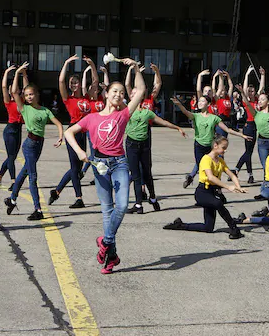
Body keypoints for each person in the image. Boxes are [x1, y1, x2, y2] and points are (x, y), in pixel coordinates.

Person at [64, 57, 144, 274]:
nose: (119, 94)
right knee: (107, 210)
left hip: (119, 163)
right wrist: (81, 152)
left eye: (121, 92)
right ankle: (111, 258)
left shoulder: (123, 114)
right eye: (114, 91)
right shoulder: (91, 118)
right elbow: (68, 132)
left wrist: (135, 68)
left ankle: (105, 241)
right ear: (106, 94)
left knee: (121, 206)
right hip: (98, 163)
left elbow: (141, 90)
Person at [4, 63, 64, 220]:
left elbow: (58, 123)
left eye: (32, 94)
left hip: (39, 144)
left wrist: (60, 136)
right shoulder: (24, 108)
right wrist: (17, 73)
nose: (29, 97)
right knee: (33, 176)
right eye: (27, 95)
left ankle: (12, 199)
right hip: (29, 144)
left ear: (37, 95)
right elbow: (14, 91)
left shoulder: (45, 111)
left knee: (24, 172)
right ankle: (38, 209)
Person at [164, 136, 247, 238]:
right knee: (218, 203)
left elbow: (232, 175)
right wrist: (228, 187)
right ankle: (234, 229)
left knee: (208, 228)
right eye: (223, 147)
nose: (225, 150)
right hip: (202, 193)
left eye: (226, 148)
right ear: (215, 146)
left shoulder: (220, 161)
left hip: (212, 193)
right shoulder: (206, 159)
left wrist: (238, 186)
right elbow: (211, 177)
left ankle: (180, 225)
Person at [125, 86, 186, 214]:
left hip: (144, 146)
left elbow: (162, 122)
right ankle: (138, 205)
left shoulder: (147, 112)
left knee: (147, 174)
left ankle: (152, 198)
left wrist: (177, 128)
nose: (133, 95)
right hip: (131, 145)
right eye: (132, 93)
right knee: (135, 175)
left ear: (141, 96)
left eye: (137, 93)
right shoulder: (126, 111)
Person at [174, 94, 253, 189]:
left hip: (210, 147)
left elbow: (227, 130)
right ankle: (203, 187)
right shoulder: (196, 116)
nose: (200, 103)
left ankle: (216, 188)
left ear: (208, 104)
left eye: (203, 101)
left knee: (214, 167)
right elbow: (186, 112)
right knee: (202, 168)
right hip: (199, 146)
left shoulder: (214, 118)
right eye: (199, 101)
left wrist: (242, 135)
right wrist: (179, 104)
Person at [48, 55, 94, 209]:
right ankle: (79, 198)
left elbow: (94, 82)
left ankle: (56, 191)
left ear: (81, 83)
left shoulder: (88, 98)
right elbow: (61, 81)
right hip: (72, 133)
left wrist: (92, 65)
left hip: (84, 133)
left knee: (78, 168)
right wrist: (66, 63)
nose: (74, 84)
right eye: (71, 83)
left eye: (76, 82)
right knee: (75, 168)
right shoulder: (69, 100)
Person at [0, 65, 29, 189]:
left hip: (18, 129)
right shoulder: (9, 102)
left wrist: (23, 75)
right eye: (13, 89)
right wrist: (7, 72)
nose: (16, 90)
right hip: (10, 130)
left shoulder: (22, 101)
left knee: (11, 157)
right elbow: (3, 86)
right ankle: (13, 182)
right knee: (11, 157)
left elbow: (26, 88)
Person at [234, 66, 263, 183]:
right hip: (249, 126)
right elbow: (244, 90)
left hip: (257, 127)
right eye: (249, 91)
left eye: (252, 91)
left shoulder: (257, 100)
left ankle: (236, 169)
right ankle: (249, 174)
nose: (251, 92)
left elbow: (261, 88)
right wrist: (247, 74)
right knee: (248, 152)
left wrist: (263, 75)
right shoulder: (247, 102)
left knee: (248, 152)